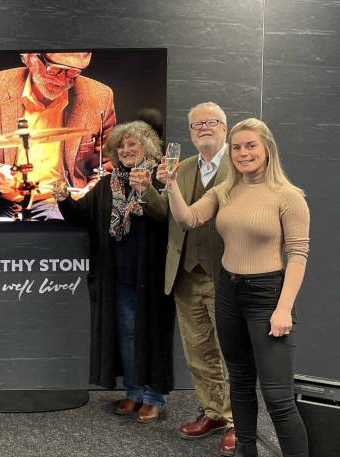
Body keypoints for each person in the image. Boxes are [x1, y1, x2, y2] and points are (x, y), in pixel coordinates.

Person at [166, 118, 310, 457]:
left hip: (266, 296)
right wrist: (171, 186)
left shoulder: (288, 197)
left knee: (278, 398)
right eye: (237, 147)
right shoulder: (224, 191)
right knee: (242, 385)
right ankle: (247, 450)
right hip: (228, 293)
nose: (243, 153)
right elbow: (187, 220)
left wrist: (283, 308)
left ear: (267, 149)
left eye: (250, 146)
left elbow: (298, 255)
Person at [52, 121, 175, 423]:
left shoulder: (162, 179)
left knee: (153, 336)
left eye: (132, 144)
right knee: (128, 335)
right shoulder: (108, 183)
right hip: (117, 275)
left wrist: (146, 191)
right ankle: (134, 392)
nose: (125, 150)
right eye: (120, 146)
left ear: (147, 146)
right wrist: (64, 199)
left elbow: (169, 218)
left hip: (153, 275)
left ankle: (154, 397)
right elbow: (84, 216)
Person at [142, 102, 235, 454]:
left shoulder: (240, 164)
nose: (204, 128)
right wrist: (147, 191)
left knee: (232, 354)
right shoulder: (181, 168)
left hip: (228, 274)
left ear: (225, 128)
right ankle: (214, 413)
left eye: (211, 122)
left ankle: (240, 422)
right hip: (185, 275)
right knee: (199, 352)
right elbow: (168, 212)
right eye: (197, 124)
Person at [0, 52, 116, 220]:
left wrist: (94, 188)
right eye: (54, 69)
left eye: (72, 72)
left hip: (57, 204)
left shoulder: (100, 97)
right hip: (0, 202)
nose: (62, 80)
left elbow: (108, 166)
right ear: (30, 58)